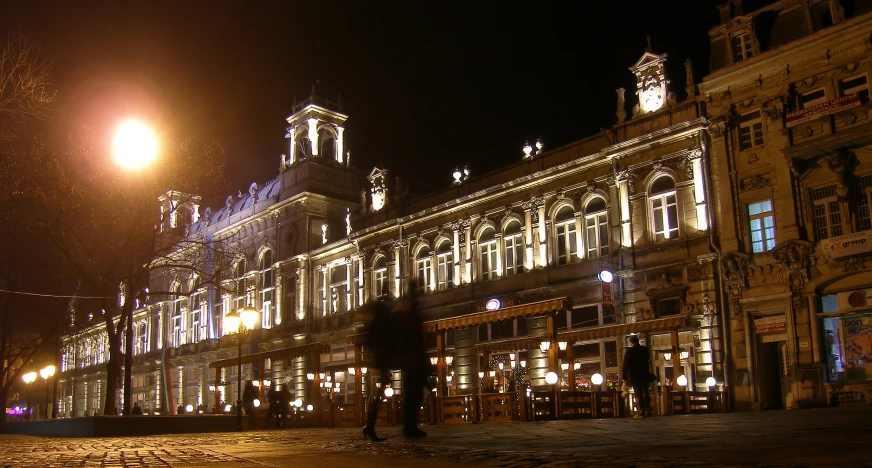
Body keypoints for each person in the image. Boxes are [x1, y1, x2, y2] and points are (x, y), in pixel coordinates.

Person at [393, 279, 428, 438]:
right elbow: (415, 340)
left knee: (413, 395)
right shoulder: (410, 316)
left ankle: (410, 425)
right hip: (413, 361)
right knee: (414, 395)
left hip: (411, 361)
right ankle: (409, 426)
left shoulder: (408, 315)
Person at [361, 286, 393, 442]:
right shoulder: (382, 321)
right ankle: (370, 426)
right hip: (382, 360)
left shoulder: (376, 321)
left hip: (380, 360)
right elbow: (383, 341)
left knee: (379, 394)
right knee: (378, 395)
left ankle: (370, 426)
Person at [622, 335, 653, 418]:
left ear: (631, 342)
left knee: (638, 393)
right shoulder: (645, 350)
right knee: (646, 391)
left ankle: (641, 411)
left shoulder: (629, 351)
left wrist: (625, 378)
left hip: (635, 375)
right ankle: (648, 409)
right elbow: (649, 362)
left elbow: (625, 365)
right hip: (645, 374)